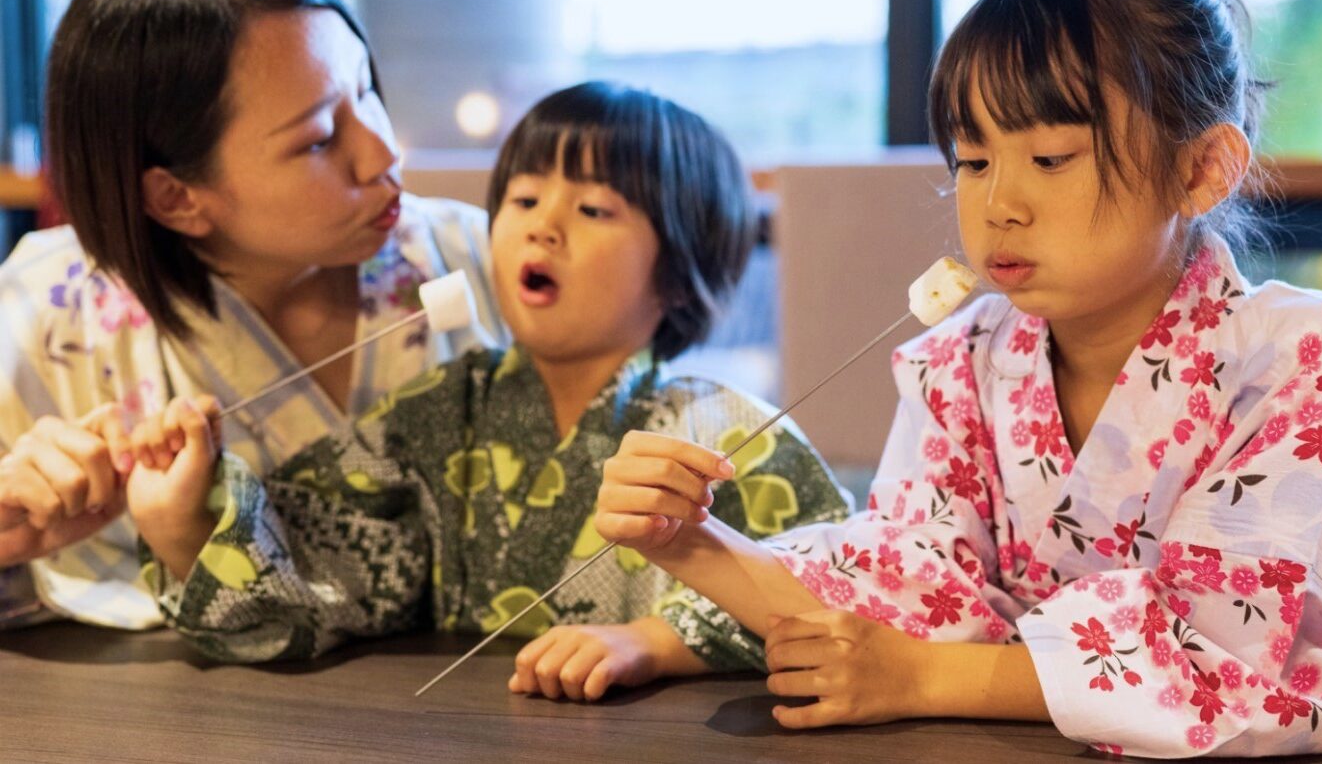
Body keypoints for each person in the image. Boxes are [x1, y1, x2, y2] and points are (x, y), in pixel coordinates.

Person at [585, 0, 1322, 756]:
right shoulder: (964, 362)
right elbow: (903, 583)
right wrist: (688, 539)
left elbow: (1221, 654)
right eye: (974, 161)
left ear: (1200, 170)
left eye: (1050, 157)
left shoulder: (1301, 357)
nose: (998, 204)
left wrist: (924, 678)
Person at [122, 82, 852, 678]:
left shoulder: (727, 433)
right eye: (525, 199)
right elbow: (325, 568)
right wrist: (186, 520)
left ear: (679, 276)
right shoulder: (439, 415)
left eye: (595, 208)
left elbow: (837, 599)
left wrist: (651, 642)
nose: (544, 226)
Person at [0, 0, 505, 630]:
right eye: (320, 138)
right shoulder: (43, 313)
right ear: (177, 196)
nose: (383, 152)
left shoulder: (475, 254)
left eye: (366, 91)